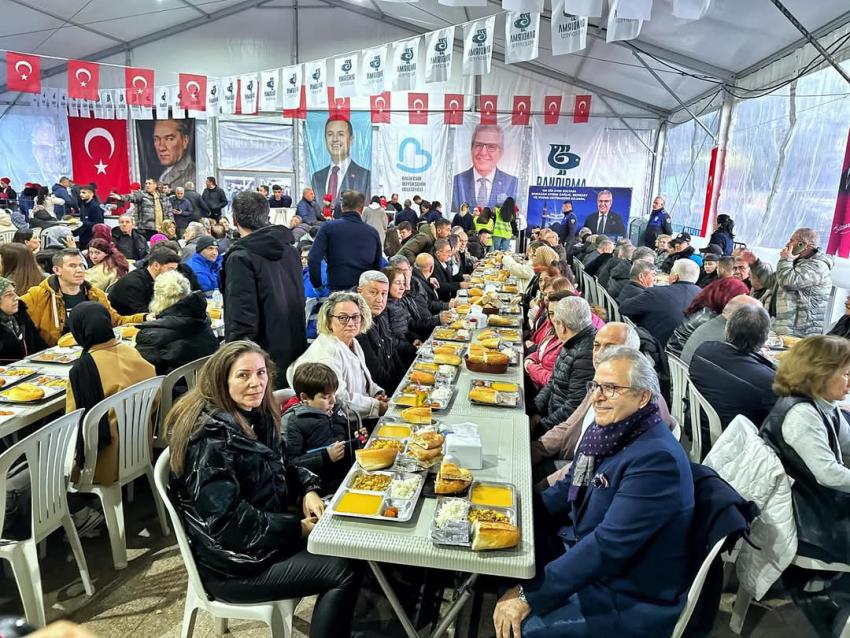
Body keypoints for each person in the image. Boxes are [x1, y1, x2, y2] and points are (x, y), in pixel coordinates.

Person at [166, 341, 361, 637]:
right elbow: (229, 524)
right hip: (235, 565)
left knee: (354, 534)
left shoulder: (253, 414)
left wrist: (307, 489)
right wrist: (297, 529)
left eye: (260, 373)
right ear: (222, 380)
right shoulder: (208, 438)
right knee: (343, 569)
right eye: (243, 376)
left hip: (263, 539)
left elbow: (282, 464)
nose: (255, 383)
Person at [497, 346, 693, 637]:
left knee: (520, 628)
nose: (597, 397)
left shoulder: (656, 462)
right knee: (499, 553)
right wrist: (517, 517)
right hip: (585, 550)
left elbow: (607, 546)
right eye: (596, 386)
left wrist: (529, 595)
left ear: (643, 397)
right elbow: (569, 487)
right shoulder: (606, 432)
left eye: (611, 388)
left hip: (623, 593)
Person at [760, 335, 850, 565]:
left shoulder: (822, 403)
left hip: (816, 500)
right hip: (811, 517)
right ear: (820, 375)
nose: (849, 381)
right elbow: (828, 474)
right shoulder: (802, 415)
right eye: (846, 374)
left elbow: (848, 443)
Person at [66, 302, 156, 487]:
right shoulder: (132, 353)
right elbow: (154, 400)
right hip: (140, 448)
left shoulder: (83, 370)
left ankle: (80, 510)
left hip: (102, 463)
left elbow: (71, 424)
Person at [222, 191, 306, 388]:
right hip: (292, 346)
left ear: (234, 220)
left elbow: (241, 317)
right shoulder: (290, 250)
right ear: (266, 217)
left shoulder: (241, 258)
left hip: (261, 360)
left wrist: (237, 363)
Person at [287, 292, 388, 421]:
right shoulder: (327, 354)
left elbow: (364, 379)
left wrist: (376, 393)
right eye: (342, 317)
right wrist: (378, 406)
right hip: (335, 423)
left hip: (360, 412)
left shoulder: (352, 341)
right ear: (329, 322)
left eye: (355, 317)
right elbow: (339, 401)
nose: (351, 323)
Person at [20, 249, 146, 346]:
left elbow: (116, 321)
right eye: (72, 266)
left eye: (81, 265)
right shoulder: (38, 295)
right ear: (57, 270)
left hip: (92, 350)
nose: (79, 270)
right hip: (52, 354)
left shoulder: (95, 294)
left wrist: (144, 317)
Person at [689, 304, 776, 431]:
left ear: (727, 329)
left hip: (699, 427)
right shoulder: (768, 380)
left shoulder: (704, 350)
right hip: (740, 441)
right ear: (764, 339)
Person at [283, 363, 364, 494]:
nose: (333, 401)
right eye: (325, 397)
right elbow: (291, 464)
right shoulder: (293, 421)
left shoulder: (336, 408)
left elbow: (345, 435)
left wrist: (357, 438)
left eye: (334, 394)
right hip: (322, 487)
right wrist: (326, 456)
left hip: (350, 473)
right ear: (304, 398)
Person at [742, 228, 834, 336]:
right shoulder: (795, 262)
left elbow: (788, 282)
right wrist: (756, 264)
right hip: (786, 327)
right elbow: (771, 282)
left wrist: (786, 260)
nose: (787, 243)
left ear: (804, 245)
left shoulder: (817, 266)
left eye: (792, 240)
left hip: (802, 332)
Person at [531, 296, 596, 433]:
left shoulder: (585, 355)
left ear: (562, 326)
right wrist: (533, 409)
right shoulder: (573, 341)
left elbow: (574, 407)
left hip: (559, 429)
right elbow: (553, 382)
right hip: (550, 413)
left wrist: (541, 427)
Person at [134, 270, 218, 375]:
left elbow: (144, 375)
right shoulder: (203, 318)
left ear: (158, 297)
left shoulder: (150, 336)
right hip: (206, 382)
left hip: (174, 389)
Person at [308, 190, 382, 292]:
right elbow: (377, 266)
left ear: (342, 207)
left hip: (337, 290)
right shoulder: (373, 233)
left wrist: (317, 285)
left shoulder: (328, 228)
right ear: (362, 209)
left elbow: (313, 258)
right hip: (363, 291)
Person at [619, 258, 702, 347]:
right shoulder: (704, 296)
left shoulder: (656, 293)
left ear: (675, 277)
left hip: (654, 351)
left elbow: (624, 309)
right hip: (686, 354)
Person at [666, 276, 750, 357]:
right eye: (741, 297)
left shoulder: (706, 311)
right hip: (682, 363)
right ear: (728, 297)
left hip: (676, 360)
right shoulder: (712, 320)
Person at [355, 271, 405, 395]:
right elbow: (374, 370)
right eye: (373, 292)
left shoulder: (381, 314)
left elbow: (392, 351)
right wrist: (398, 391)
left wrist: (406, 379)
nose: (380, 299)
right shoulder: (355, 323)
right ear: (359, 291)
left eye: (384, 294)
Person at [451, 124, 518, 211]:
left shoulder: (512, 183)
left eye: (491, 147)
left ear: (501, 152)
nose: (483, 152)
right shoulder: (457, 182)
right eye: (479, 145)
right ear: (471, 149)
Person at [679, 294, 760, 365]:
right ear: (742, 315)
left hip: (683, 377)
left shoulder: (709, 324)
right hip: (698, 379)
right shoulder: (730, 338)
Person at [310, 116, 371, 203]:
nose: (335, 139)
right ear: (325, 139)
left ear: (351, 139)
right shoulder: (317, 177)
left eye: (341, 134)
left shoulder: (364, 176)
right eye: (330, 134)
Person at [108, 245, 180, 315]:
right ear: (156, 265)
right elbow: (142, 314)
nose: (173, 273)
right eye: (170, 269)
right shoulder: (134, 284)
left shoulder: (156, 279)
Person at [524, 290, 574, 391]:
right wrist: (530, 359)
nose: (555, 318)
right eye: (551, 313)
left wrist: (531, 367)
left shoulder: (571, 341)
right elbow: (539, 352)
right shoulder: (553, 332)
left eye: (559, 313)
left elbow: (552, 380)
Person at [0, 276, 47, 363]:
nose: (16, 297)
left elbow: (40, 346)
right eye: (8, 294)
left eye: (14, 292)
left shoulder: (21, 315)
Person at [150, 119, 195, 189]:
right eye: (156, 139)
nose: (161, 147)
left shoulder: (194, 175)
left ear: (185, 141)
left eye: (169, 139)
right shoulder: (160, 170)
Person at [73, 184, 103, 249]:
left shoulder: (95, 206)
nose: (81, 194)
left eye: (84, 192)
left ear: (91, 194)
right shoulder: (83, 205)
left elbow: (99, 224)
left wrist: (82, 223)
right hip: (83, 237)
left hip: (91, 239)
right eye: (80, 192)